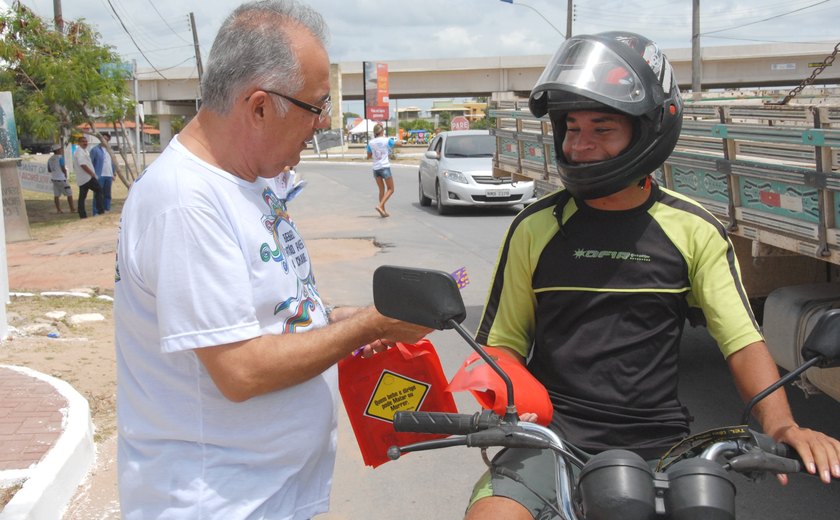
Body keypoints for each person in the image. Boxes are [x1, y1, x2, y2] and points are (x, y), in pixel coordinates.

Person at [465, 32, 840, 520]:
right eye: (571, 128)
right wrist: (507, 407)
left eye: (602, 128)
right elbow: (501, 343)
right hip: (550, 439)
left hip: (660, 447)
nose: (580, 145)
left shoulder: (693, 230)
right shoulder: (534, 228)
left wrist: (784, 426)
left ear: (646, 131)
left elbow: (741, 340)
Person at [113, 2, 430, 519]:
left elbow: (266, 314)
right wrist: (367, 325)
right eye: (316, 105)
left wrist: (340, 320)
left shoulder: (247, 183)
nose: (323, 123)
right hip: (219, 503)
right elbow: (240, 369)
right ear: (259, 106)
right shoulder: (186, 202)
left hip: (266, 496)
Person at [366, 123, 398, 217]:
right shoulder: (386, 140)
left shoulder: (371, 142)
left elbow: (368, 156)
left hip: (376, 169)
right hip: (384, 167)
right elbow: (397, 143)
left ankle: (383, 211)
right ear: (382, 131)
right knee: (391, 189)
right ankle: (380, 206)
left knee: (381, 190)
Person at [72, 135, 104, 218]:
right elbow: (83, 165)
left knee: (82, 196)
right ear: (79, 143)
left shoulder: (84, 151)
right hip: (87, 177)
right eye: (83, 141)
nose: (85, 143)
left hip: (84, 178)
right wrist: (92, 174)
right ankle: (100, 210)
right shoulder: (79, 152)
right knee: (99, 190)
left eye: (86, 141)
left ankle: (82, 214)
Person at [89, 133, 115, 213]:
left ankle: (106, 209)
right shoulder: (95, 150)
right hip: (99, 175)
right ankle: (96, 211)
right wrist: (93, 174)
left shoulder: (110, 150)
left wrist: (114, 173)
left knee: (107, 194)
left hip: (109, 175)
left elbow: (113, 162)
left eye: (106, 139)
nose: (104, 140)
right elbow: (91, 163)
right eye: (103, 139)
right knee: (98, 194)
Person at [47, 144, 75, 214]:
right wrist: (65, 174)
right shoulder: (60, 158)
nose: (61, 150)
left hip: (54, 178)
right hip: (61, 178)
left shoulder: (50, 159)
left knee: (56, 195)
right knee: (69, 193)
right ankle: (72, 209)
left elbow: (49, 170)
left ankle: (58, 210)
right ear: (58, 150)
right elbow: (63, 168)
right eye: (60, 149)